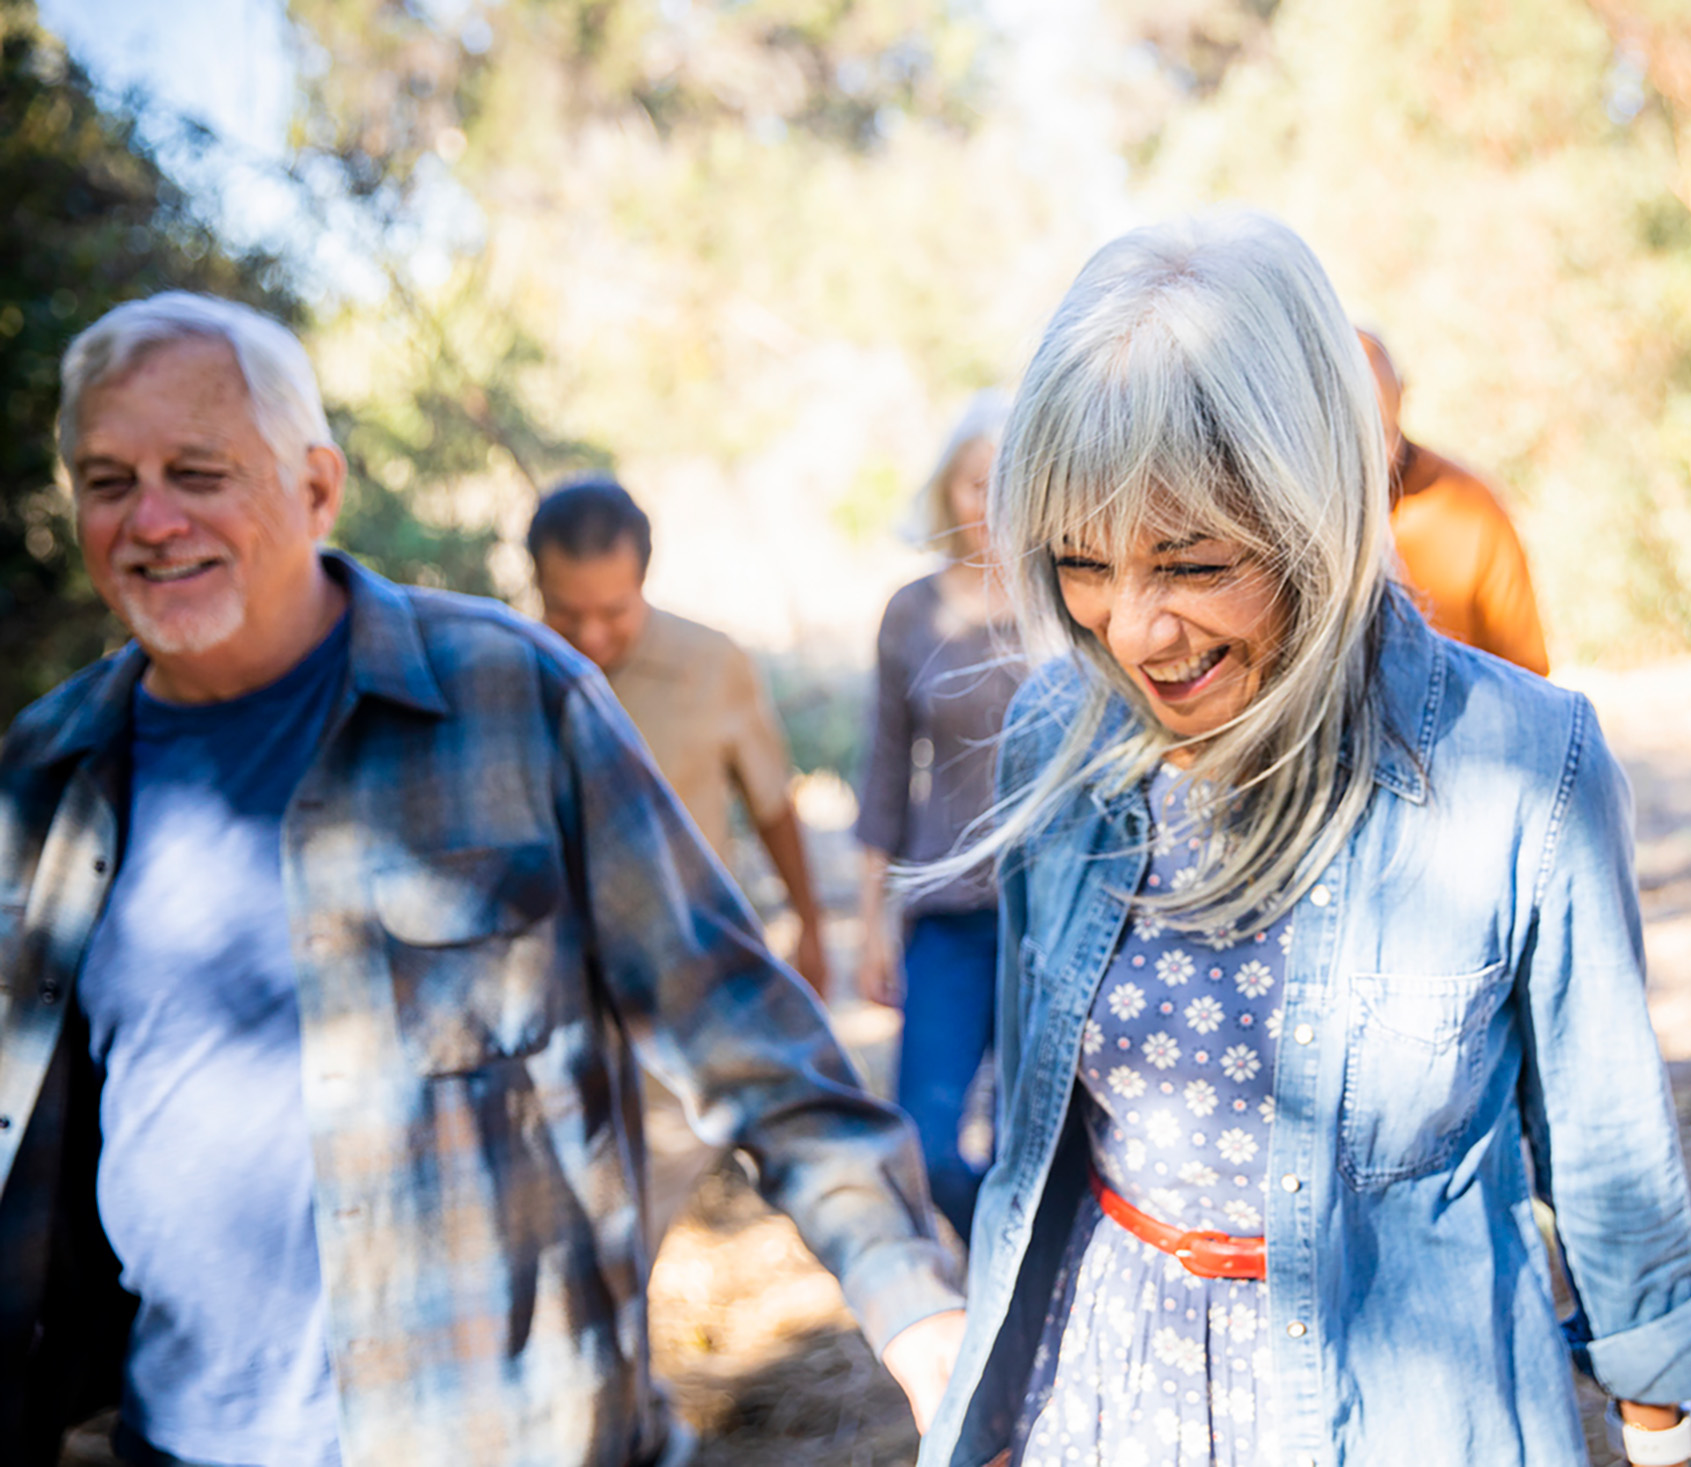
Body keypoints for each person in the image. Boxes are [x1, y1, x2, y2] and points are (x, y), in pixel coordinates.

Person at [0, 291, 965, 1467]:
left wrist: (912, 1302)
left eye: (198, 473)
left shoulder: (512, 697)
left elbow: (744, 1036)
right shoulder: (46, 772)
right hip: (176, 1443)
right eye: (109, 481)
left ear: (316, 487)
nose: (151, 520)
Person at [916, 217, 1691, 1467]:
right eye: (1081, 563)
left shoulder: (1525, 766)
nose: (1131, 632)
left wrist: (1656, 1414)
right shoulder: (1051, 740)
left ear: (1317, 511)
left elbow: (1604, 1137)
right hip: (1109, 1387)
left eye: (1191, 564)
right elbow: (1037, 1123)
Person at [527, 476, 828, 1259]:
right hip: (553, 983)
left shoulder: (712, 664)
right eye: (566, 612)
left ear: (644, 580)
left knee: (642, 1202)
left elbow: (771, 804)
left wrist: (810, 926)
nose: (591, 635)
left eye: (613, 611)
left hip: (676, 984)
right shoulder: (509, 669)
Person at [853, 393, 1025, 1245]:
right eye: (972, 483)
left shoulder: (1068, 600)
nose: (987, 503)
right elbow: (885, 773)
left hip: (1048, 914)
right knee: (926, 1143)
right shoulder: (911, 612)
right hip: (947, 915)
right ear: (946, 490)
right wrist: (871, 925)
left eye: (1005, 483)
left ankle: (1014, 1290)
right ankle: (992, 1255)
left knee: (1035, 1143)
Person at [1360, 328, 1551, 675]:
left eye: (1382, 434)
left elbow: (1524, 671)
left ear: (1402, 394)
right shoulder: (1293, 516)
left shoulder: (1470, 508)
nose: (1371, 455)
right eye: (1355, 436)